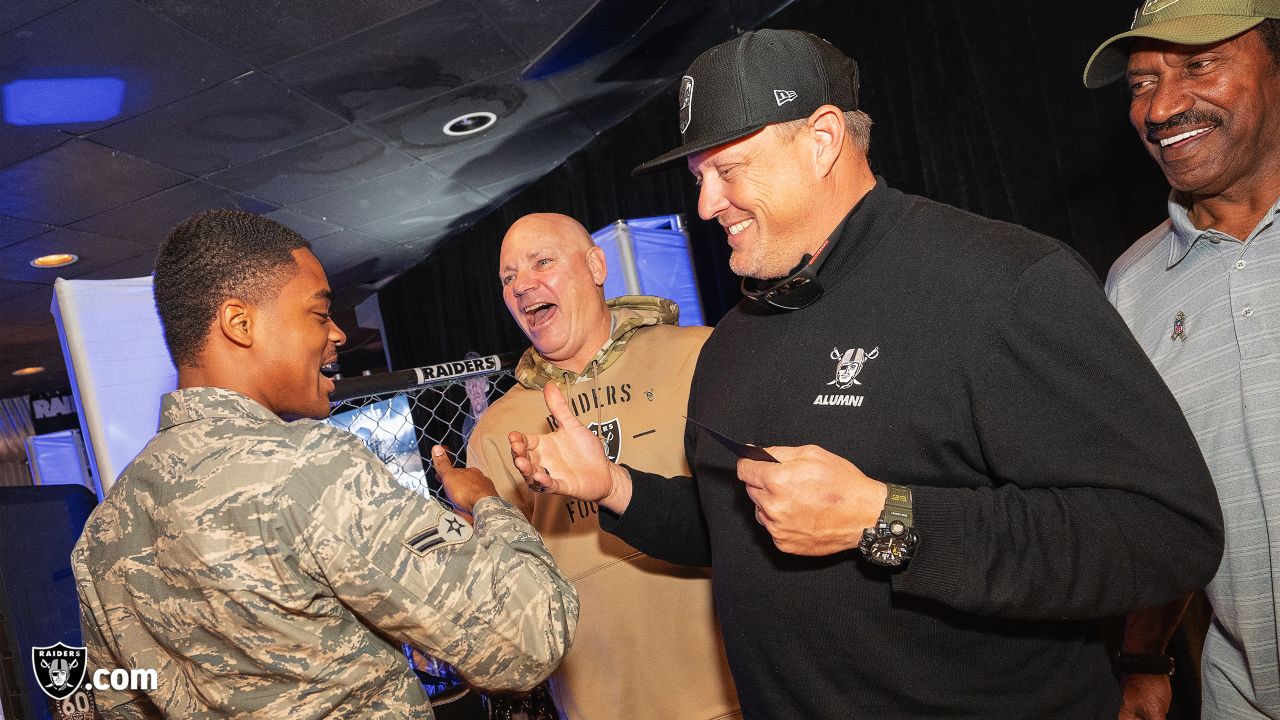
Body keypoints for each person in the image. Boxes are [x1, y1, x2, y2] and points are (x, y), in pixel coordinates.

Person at [506, 29, 1226, 719]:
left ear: (822, 141)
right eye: (700, 179)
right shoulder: (734, 343)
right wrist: (614, 486)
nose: (705, 206)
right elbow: (740, 525)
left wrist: (886, 518)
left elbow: (1163, 533)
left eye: (727, 171)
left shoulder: (1001, 284)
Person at [70, 210, 578, 718]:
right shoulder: (308, 468)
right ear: (239, 323)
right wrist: (492, 505)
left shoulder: (103, 534)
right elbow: (529, 636)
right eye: (318, 313)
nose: (338, 334)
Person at [1084, 3, 1280, 718]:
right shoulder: (1132, 288)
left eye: (1199, 65)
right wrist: (1144, 659)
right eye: (1141, 83)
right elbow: (1163, 503)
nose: (1162, 107)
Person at [465, 213, 739, 720]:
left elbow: (753, 520)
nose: (523, 285)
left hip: (731, 696)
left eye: (541, 261)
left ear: (596, 265)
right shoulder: (495, 433)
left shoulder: (699, 356)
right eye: (508, 278)